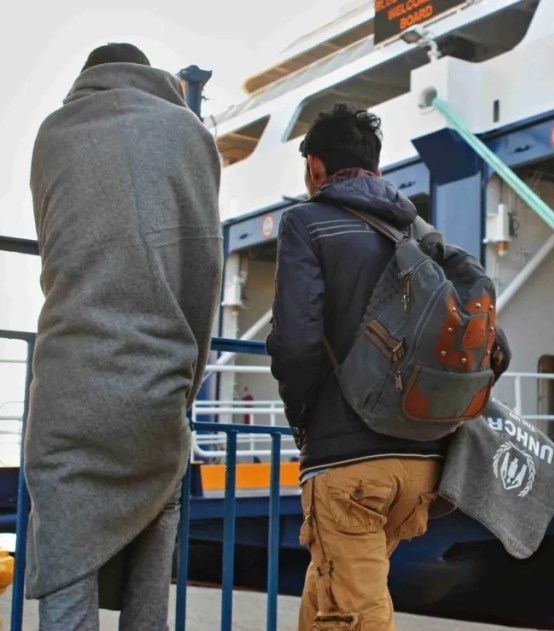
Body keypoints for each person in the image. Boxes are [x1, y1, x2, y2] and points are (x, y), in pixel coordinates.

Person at [267, 103, 509, 631]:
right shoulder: (424, 235)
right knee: (330, 589)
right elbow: (496, 348)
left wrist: (307, 421)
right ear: (377, 169)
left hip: (349, 463)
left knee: (354, 612)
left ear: (314, 166)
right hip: (424, 465)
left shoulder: (305, 223)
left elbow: (295, 344)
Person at [26, 43, 222, 629]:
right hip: (156, 385)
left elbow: (57, 252)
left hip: (66, 385)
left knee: (65, 569)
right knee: (149, 574)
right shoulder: (189, 135)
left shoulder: (52, 135)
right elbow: (203, 278)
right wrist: (181, 395)